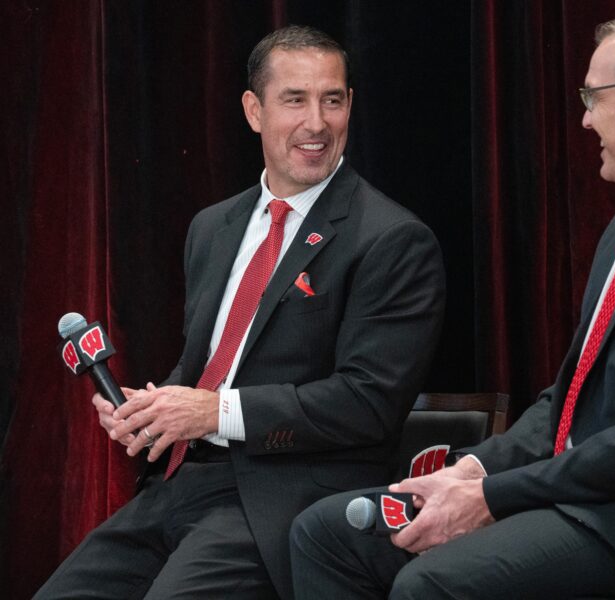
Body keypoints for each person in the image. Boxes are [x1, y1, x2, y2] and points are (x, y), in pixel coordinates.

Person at [289, 11, 615, 599]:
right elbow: (568, 404)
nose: (585, 118)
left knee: (432, 584)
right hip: (595, 498)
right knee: (326, 534)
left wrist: (490, 498)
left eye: (593, 95)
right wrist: (475, 470)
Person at [36, 25, 446, 599]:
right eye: (294, 100)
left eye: (332, 99)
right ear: (254, 110)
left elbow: (368, 403)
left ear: (351, 105)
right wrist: (152, 410)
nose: (316, 123)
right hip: (177, 486)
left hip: (279, 499)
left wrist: (212, 412)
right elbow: (210, 367)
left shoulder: (393, 239)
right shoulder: (214, 227)